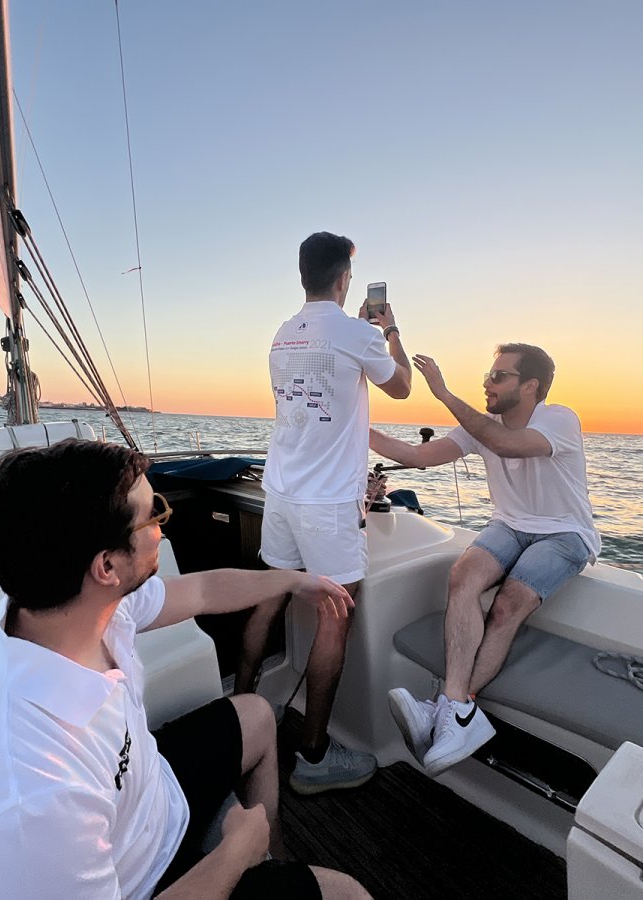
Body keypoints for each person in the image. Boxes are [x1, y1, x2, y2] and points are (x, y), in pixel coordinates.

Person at [0, 439, 370, 900]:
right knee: (348, 894)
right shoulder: (34, 794)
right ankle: (257, 865)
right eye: (154, 516)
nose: (164, 529)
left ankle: (273, 865)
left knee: (256, 715)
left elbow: (204, 591)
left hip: (149, 801)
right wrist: (237, 851)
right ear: (106, 566)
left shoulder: (60, 608)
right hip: (143, 880)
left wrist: (293, 579)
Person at [236, 231, 412, 795]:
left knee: (269, 595)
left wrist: (360, 329)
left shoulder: (284, 333)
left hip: (281, 491)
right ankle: (313, 757)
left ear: (304, 275)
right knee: (338, 614)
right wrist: (387, 329)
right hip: (329, 504)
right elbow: (403, 388)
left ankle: (239, 715)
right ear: (343, 279)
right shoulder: (359, 333)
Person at [371, 344, 599, 776]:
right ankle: (454, 712)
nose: (486, 383)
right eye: (488, 375)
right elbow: (419, 456)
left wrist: (444, 394)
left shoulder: (559, 419)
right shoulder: (482, 426)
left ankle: (451, 709)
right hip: (510, 524)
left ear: (529, 386)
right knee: (462, 577)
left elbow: (509, 445)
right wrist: (355, 428)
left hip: (565, 532)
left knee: (508, 603)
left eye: (498, 376)